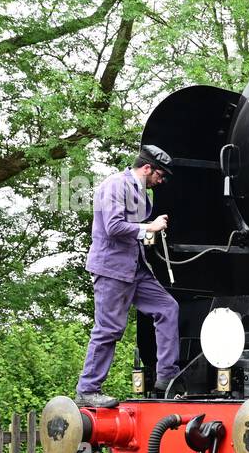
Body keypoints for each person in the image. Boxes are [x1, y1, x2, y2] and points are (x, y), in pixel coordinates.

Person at [75, 144, 180, 408]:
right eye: (160, 174)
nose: (162, 180)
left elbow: (133, 232)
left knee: (168, 308)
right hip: (111, 270)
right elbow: (112, 227)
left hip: (135, 269)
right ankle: (87, 389)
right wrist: (149, 227)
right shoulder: (115, 185)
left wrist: (149, 235)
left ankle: (167, 377)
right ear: (147, 168)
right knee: (109, 329)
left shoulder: (142, 193)